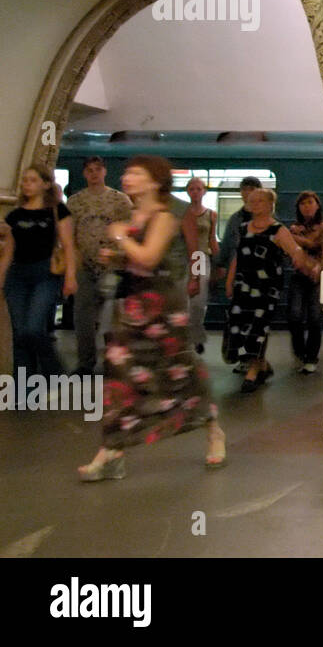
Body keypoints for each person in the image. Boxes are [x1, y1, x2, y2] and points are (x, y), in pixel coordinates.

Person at [76, 155, 226, 481]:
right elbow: (132, 260)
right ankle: (111, 451)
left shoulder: (164, 217)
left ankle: (213, 429)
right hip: (130, 306)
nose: (127, 178)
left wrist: (119, 238)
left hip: (161, 306)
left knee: (180, 372)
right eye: (127, 172)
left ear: (154, 181)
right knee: (119, 375)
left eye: (136, 173)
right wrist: (115, 256)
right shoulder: (131, 215)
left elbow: (149, 257)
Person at [224, 188, 320, 393]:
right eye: (252, 201)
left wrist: (309, 267)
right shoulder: (242, 228)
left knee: (258, 327)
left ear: (270, 205)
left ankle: (252, 371)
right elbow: (237, 256)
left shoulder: (278, 230)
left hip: (267, 287)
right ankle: (262, 366)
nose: (255, 204)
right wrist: (230, 280)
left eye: (260, 201)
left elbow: (295, 252)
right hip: (244, 284)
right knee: (240, 325)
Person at [0, 164, 77, 375]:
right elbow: (9, 251)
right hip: (17, 275)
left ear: (45, 184)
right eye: (25, 180)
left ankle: (54, 370)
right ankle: (23, 386)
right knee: (20, 332)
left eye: (33, 180)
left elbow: (68, 245)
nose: (27, 185)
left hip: (45, 273)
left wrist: (71, 277)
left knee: (34, 328)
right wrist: (1, 278)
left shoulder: (57, 210)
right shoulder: (14, 215)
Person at [67, 157, 132, 375]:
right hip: (84, 264)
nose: (94, 174)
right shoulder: (75, 202)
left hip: (111, 265)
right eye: (89, 170)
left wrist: (119, 254)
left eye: (97, 170)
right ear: (85, 174)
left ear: (104, 172)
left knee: (111, 318)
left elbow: (128, 231)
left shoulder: (120, 200)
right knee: (83, 316)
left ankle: (112, 361)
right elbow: (70, 235)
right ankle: (85, 362)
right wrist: (73, 264)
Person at [216, 175, 261, 371]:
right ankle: (244, 358)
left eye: (251, 189)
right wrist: (221, 269)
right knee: (240, 319)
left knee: (256, 320)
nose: (247, 193)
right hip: (239, 275)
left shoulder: (266, 219)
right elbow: (227, 247)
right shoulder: (235, 219)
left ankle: (255, 361)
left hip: (260, 277)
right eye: (244, 189)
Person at [286, 191, 323, 373]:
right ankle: (300, 352)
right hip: (299, 275)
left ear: (317, 205)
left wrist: (296, 238)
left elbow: (319, 246)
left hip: (318, 277)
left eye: (310, 202)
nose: (307, 206)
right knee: (294, 315)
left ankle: (311, 357)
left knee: (315, 318)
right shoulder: (292, 229)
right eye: (302, 203)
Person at [179, 177, 219, 357]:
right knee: (183, 302)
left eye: (199, 189)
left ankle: (196, 335)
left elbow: (212, 239)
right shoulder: (181, 213)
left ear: (204, 192)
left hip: (201, 258)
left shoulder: (211, 214)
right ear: (187, 191)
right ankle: (186, 339)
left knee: (198, 302)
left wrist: (219, 262)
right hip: (184, 259)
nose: (195, 192)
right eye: (192, 189)